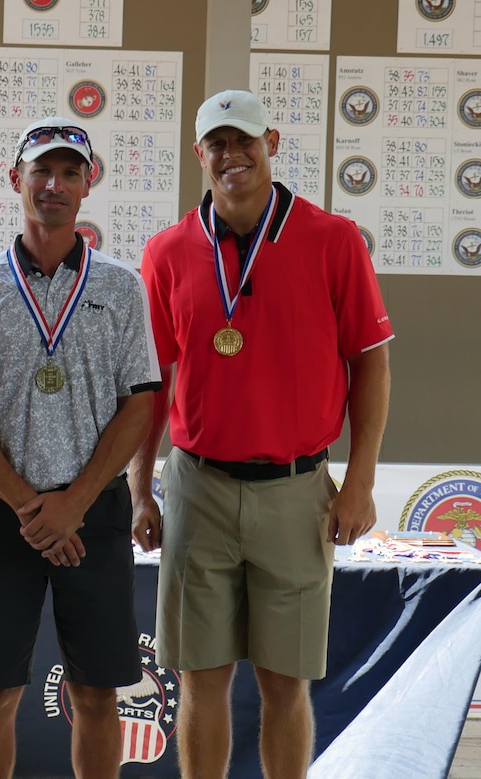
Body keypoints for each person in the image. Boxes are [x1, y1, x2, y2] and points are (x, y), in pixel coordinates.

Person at [130, 89, 393, 778]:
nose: (231, 154)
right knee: (201, 678)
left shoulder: (332, 240)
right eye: (216, 143)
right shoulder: (166, 251)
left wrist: (359, 482)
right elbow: (150, 383)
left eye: (243, 139)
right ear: (199, 155)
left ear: (270, 140)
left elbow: (371, 363)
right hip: (197, 487)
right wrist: (140, 489)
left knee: (285, 682)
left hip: (296, 486)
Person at [0, 117, 161, 778]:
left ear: (90, 185)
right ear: (16, 180)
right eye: (42, 171)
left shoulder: (121, 287)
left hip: (97, 513)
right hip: (5, 515)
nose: (54, 184)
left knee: (96, 692)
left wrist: (75, 504)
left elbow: (138, 405)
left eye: (69, 172)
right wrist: (37, 509)